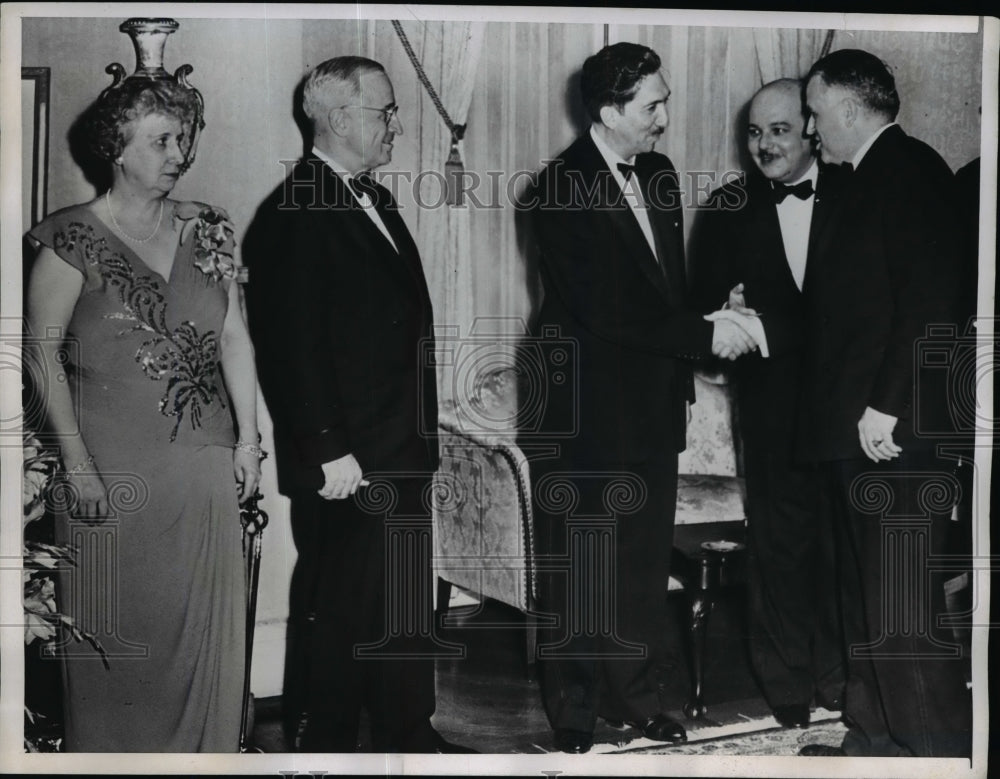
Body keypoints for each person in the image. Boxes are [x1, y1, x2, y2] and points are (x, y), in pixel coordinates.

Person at [527, 41, 760, 754]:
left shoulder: (657, 174)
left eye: (664, 101)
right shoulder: (557, 189)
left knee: (639, 553)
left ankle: (638, 696)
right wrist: (702, 335)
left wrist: (719, 308)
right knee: (580, 554)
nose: (665, 118)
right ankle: (573, 707)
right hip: (582, 399)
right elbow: (606, 308)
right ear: (609, 111)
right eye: (652, 105)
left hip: (651, 397)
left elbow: (662, 286)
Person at [243, 56, 472, 754]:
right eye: (387, 111)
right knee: (341, 606)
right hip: (348, 455)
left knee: (402, 596)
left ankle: (410, 726)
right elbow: (290, 346)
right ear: (340, 118)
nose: (396, 124)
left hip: (398, 443)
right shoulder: (293, 211)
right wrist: (326, 443)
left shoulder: (375, 199)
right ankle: (326, 742)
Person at [25, 77, 261, 751]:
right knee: (113, 645)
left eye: (183, 138)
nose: (178, 152)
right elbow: (39, 358)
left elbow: (234, 338)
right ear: (117, 150)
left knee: (202, 644)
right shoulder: (68, 239)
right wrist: (76, 466)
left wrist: (249, 441)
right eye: (161, 140)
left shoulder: (208, 227)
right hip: (109, 470)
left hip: (203, 467)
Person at [794, 49, 972, 757]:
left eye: (813, 111)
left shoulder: (912, 172)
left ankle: (935, 752)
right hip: (858, 428)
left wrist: (886, 408)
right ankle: (873, 736)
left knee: (901, 606)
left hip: (891, 432)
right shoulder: (864, 178)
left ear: (846, 108)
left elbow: (932, 308)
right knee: (868, 596)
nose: (810, 128)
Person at [689, 78, 845, 730]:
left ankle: (842, 676)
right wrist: (723, 310)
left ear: (811, 128)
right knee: (778, 545)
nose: (763, 145)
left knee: (842, 545)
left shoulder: (852, 192)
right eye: (754, 132)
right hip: (772, 405)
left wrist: (772, 321)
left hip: (847, 404)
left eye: (778, 130)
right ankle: (785, 685)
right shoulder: (728, 206)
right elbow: (698, 307)